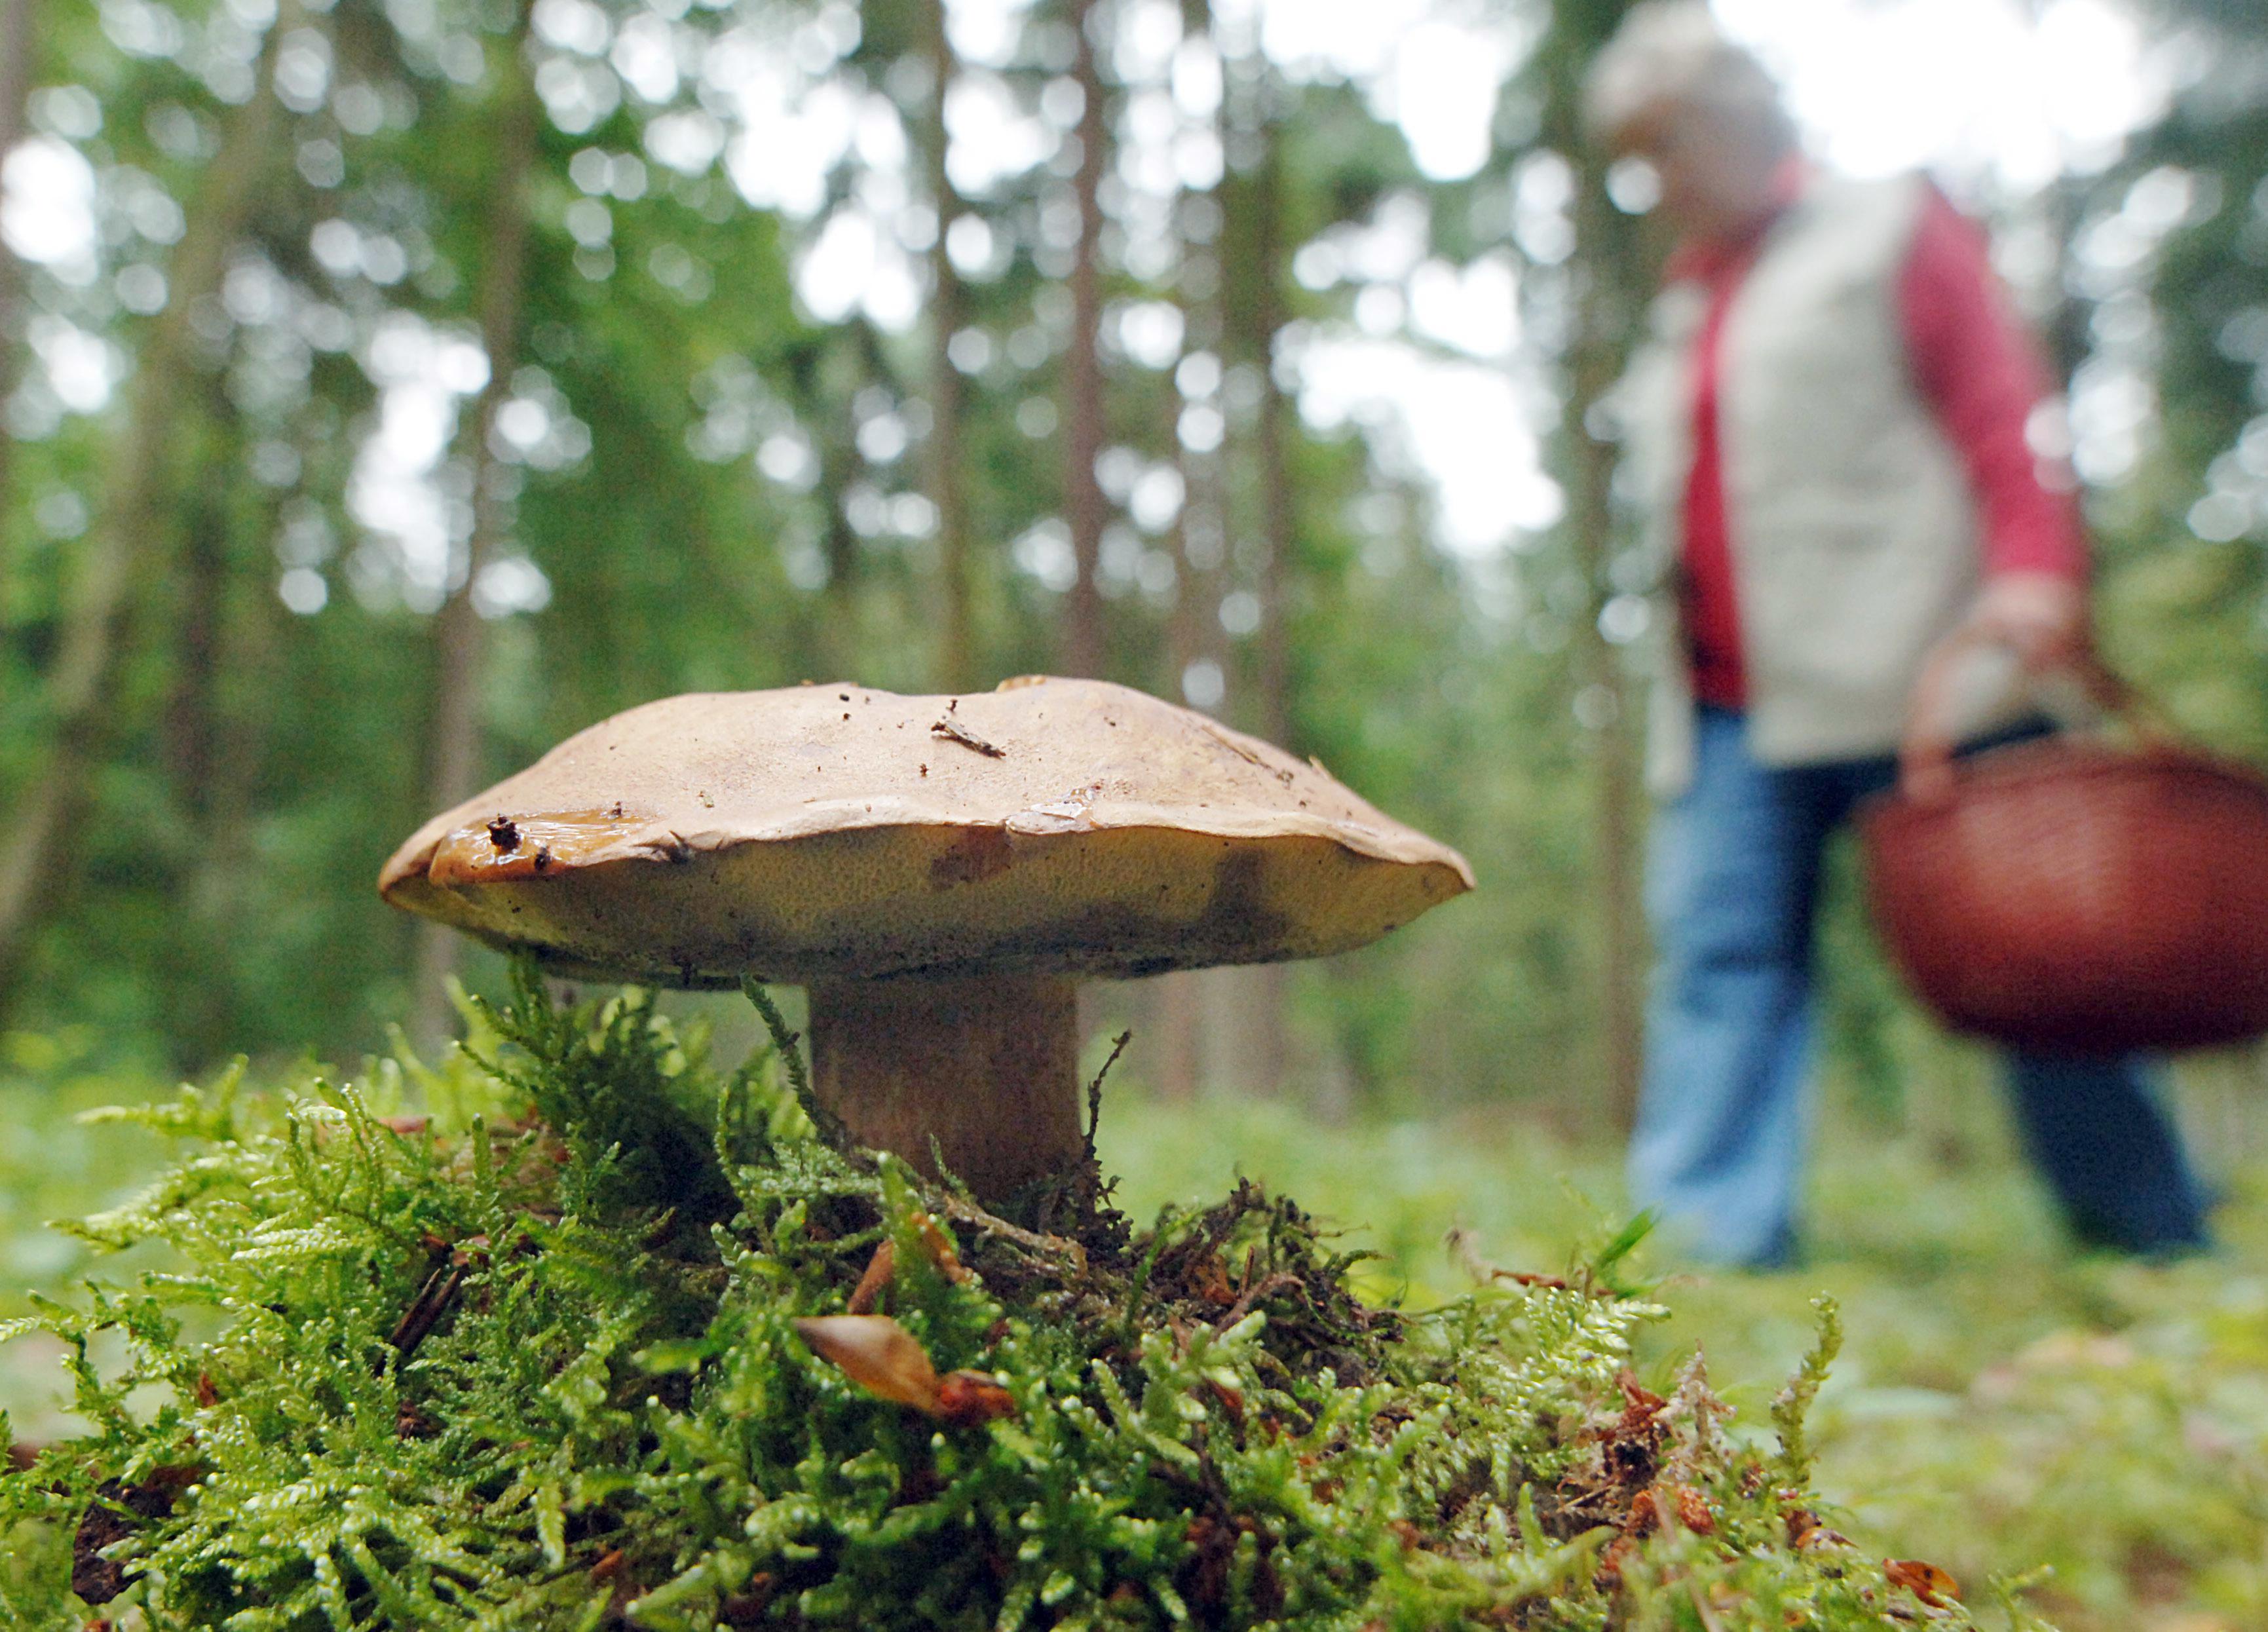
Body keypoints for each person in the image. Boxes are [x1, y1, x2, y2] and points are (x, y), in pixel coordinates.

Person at [1585, 3, 2210, 1268]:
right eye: (1634, 159)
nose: (1651, 185)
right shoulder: (1689, 297)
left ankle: (2146, 1238)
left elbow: (1997, 402)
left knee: (2041, 950)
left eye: (1664, 149)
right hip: (1722, 706)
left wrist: (2036, 574)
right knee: (1718, 962)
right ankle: (1707, 1247)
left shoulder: (1882, 227)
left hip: (1920, 673)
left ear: (1732, 120)